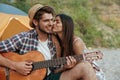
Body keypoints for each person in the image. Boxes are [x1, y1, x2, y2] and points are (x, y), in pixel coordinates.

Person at [0, 4, 97, 80]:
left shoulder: (55, 39)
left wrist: (65, 67)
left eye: (52, 20)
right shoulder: (24, 37)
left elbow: (56, 70)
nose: (51, 24)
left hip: (51, 77)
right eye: (46, 21)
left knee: (86, 67)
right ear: (36, 22)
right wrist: (15, 66)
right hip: (28, 78)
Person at [52, 14, 97, 80]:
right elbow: (56, 69)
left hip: (86, 73)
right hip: (66, 72)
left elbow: (82, 66)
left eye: (57, 22)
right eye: (54, 21)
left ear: (65, 25)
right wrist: (65, 67)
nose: (53, 23)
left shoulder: (76, 43)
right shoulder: (56, 41)